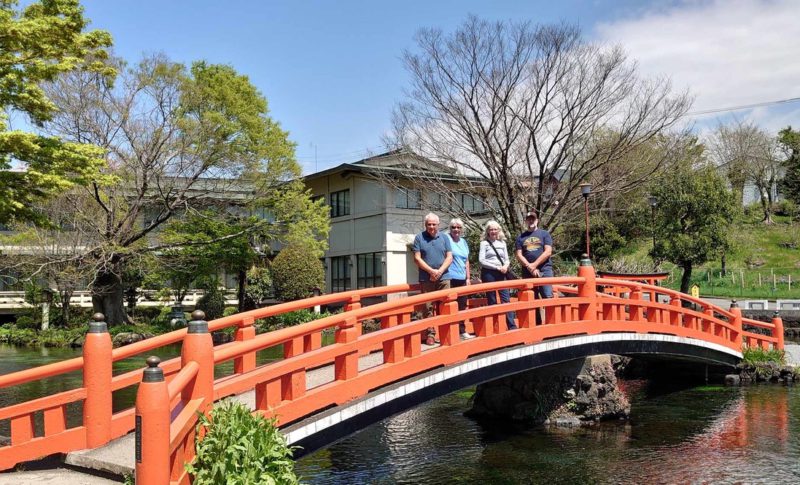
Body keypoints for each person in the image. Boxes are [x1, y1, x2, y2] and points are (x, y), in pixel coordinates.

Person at [412, 213, 453, 327]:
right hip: (426, 278)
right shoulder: (419, 237)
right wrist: (431, 271)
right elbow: (417, 258)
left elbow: (449, 257)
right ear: (425, 225)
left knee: (445, 304)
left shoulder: (444, 237)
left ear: (438, 225)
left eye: (434, 224)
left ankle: (445, 331)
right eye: (429, 224)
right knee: (427, 307)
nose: (431, 227)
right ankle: (430, 332)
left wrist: (439, 271)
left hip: (444, 277)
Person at [515, 210, 554, 324]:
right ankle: (536, 324)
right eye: (528, 219)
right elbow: (518, 254)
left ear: (537, 221)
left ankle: (550, 324)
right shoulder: (521, 237)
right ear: (526, 221)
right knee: (532, 298)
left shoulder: (544, 234)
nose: (531, 221)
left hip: (544, 269)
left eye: (533, 219)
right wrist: (529, 267)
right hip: (527, 271)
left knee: (547, 295)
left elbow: (548, 251)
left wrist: (535, 265)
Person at [479, 220, 517, 330]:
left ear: (498, 231)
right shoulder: (484, 243)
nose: (493, 231)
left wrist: (505, 266)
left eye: (495, 229)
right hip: (489, 273)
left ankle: (511, 326)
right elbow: (481, 261)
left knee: (505, 298)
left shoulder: (502, 243)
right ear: (487, 231)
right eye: (491, 229)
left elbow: (507, 259)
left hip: (502, 272)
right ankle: (495, 327)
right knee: (492, 300)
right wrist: (496, 267)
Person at [445, 218, 474, 340]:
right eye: (453, 227)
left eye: (458, 227)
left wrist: (468, 277)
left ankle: (462, 330)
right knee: (450, 305)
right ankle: (449, 332)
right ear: (450, 228)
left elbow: (466, 261)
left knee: (462, 305)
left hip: (462, 278)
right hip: (450, 277)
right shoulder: (446, 240)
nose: (456, 230)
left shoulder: (463, 242)